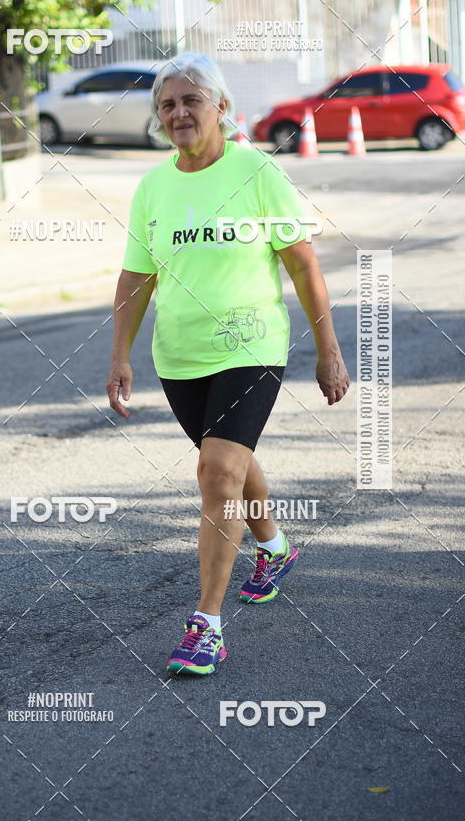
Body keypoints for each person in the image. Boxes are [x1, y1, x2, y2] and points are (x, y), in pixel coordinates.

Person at [106, 53, 349, 676]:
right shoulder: (153, 186)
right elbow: (137, 276)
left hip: (252, 344)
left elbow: (303, 263)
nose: (180, 113)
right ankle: (273, 546)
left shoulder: (257, 172)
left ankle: (206, 624)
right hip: (180, 356)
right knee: (230, 464)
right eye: (168, 105)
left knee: (216, 471)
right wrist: (120, 356)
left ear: (220, 106)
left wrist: (328, 349)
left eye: (191, 100)